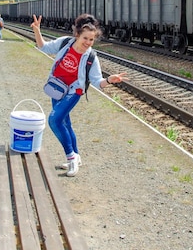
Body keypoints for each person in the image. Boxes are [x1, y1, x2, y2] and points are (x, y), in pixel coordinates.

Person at [31, 13, 127, 177]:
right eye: (85, 38)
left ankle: (71, 157)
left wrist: (109, 80)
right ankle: (76, 155)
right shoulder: (65, 43)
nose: (88, 43)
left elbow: (97, 82)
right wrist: (37, 31)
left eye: (91, 40)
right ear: (77, 35)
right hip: (57, 88)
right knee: (65, 123)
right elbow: (44, 47)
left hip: (73, 91)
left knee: (54, 120)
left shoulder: (91, 56)